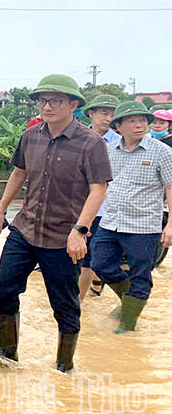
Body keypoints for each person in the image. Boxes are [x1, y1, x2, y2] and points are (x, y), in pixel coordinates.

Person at [0, 74, 111, 373]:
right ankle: (6, 355)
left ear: (74, 105)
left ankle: (64, 367)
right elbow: (18, 173)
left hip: (63, 237)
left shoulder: (90, 143)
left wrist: (80, 230)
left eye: (55, 100)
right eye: (42, 100)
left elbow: (98, 189)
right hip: (25, 228)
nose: (47, 106)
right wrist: (0, 212)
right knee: (3, 284)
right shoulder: (31, 136)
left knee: (64, 303)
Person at [90, 101, 172, 333]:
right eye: (132, 121)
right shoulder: (109, 152)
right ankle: (130, 302)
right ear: (118, 126)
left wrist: (171, 225)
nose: (139, 125)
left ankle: (127, 326)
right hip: (111, 221)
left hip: (144, 226)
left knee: (140, 274)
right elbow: (99, 186)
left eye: (143, 121)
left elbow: (170, 187)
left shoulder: (162, 152)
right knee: (100, 263)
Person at [77, 94, 122, 301]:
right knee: (82, 258)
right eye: (104, 113)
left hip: (109, 211)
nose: (108, 118)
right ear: (91, 113)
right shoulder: (78, 138)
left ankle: (86, 294)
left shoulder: (121, 143)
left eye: (112, 114)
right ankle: (78, 303)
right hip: (81, 207)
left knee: (95, 259)